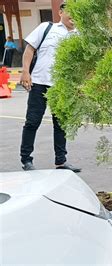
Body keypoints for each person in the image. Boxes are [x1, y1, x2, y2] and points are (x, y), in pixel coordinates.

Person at [19, 2, 81, 172]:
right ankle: (26, 160)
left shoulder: (79, 35)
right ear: (61, 12)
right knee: (32, 122)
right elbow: (29, 50)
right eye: (71, 12)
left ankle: (61, 161)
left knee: (60, 124)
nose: (74, 16)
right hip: (39, 82)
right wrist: (25, 72)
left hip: (62, 86)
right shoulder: (46, 28)